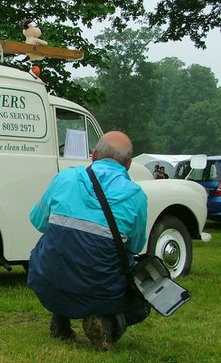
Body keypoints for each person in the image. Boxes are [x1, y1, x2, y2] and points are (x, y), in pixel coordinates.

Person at [27, 131, 151, 350]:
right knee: (142, 304)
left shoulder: (64, 178)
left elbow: (38, 222)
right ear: (129, 164)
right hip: (101, 293)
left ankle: (61, 321)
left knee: (58, 243)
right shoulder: (135, 196)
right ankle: (109, 323)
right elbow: (135, 246)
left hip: (48, 284)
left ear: (93, 155)